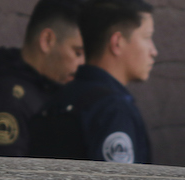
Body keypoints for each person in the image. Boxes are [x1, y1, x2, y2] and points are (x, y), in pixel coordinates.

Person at [29, 0, 157, 163]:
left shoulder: (56, 100)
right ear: (117, 42)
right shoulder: (113, 111)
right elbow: (118, 179)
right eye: (147, 37)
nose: (153, 51)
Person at [0, 0, 84, 157]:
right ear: (47, 40)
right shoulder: (5, 100)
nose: (82, 63)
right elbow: (3, 170)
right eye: (77, 53)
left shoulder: (46, 90)